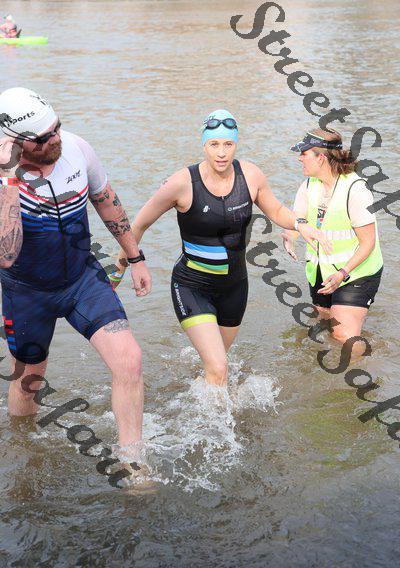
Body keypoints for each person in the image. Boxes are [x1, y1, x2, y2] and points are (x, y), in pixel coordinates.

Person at [111, 109, 330, 386]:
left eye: (228, 144)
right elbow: (137, 226)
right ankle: (211, 413)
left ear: (236, 144)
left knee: (215, 368)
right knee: (219, 366)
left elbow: (276, 210)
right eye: (214, 144)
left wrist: (301, 224)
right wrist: (118, 271)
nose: (222, 153)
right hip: (192, 286)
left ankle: (194, 397)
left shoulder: (250, 175)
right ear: (204, 144)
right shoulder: (181, 183)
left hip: (234, 288)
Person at [0, 87, 151, 455]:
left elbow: (105, 200)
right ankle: (26, 454)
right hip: (27, 292)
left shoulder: (78, 148)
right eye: (43, 137)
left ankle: (134, 463)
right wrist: (9, 179)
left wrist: (136, 258)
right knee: (30, 378)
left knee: (129, 360)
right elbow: (7, 253)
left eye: (57, 127)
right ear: (14, 142)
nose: (55, 139)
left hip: (82, 279)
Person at [282, 128, 383, 346]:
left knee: (344, 337)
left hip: (356, 272)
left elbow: (368, 243)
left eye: (304, 153)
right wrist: (289, 236)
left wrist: (342, 273)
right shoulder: (308, 185)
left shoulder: (356, 189)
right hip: (321, 271)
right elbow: (297, 219)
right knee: (325, 327)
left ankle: (371, 362)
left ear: (320, 158)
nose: (299, 158)